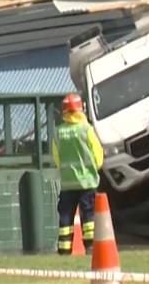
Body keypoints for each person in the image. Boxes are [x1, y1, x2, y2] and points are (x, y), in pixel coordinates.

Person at [52, 93, 104, 255]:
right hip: (87, 181)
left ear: (64, 111)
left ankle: (64, 249)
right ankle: (90, 247)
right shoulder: (86, 130)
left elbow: (56, 157)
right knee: (88, 215)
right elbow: (97, 153)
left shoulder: (58, 132)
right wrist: (95, 167)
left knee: (66, 216)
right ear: (81, 109)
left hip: (67, 183)